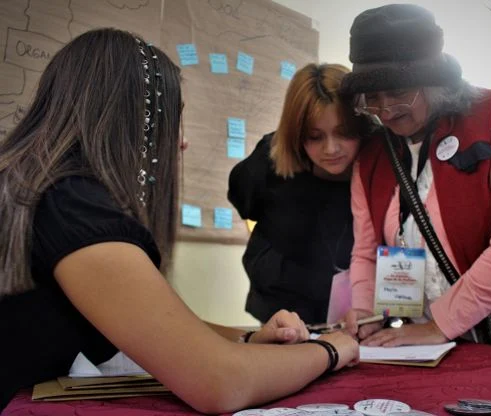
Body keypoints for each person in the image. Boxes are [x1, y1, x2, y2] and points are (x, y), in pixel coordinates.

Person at [0, 28, 359, 412]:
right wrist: (330, 348)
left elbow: (161, 323)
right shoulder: (72, 207)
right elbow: (220, 382)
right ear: (132, 119)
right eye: (173, 121)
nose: (181, 141)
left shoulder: (41, 190)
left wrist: (248, 338)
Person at [339, 4, 491, 348]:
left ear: (434, 79)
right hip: (420, 343)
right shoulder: (371, 157)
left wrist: (440, 324)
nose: (386, 111)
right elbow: (365, 251)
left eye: (398, 91)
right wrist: (365, 312)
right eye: (372, 98)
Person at [228, 63, 368, 324]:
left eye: (344, 133)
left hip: (357, 312)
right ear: (295, 135)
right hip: (282, 304)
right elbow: (243, 199)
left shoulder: (379, 165)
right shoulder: (269, 161)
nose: (331, 149)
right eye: (314, 137)